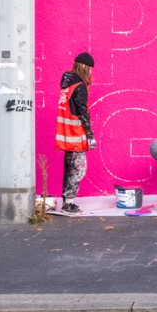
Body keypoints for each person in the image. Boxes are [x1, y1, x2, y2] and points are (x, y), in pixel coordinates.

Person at [55, 52, 96, 214]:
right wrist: (90, 135)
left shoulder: (67, 85)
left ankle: (67, 201)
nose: (91, 73)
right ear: (85, 67)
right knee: (78, 169)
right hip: (76, 135)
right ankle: (68, 204)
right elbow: (82, 112)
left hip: (66, 134)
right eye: (90, 69)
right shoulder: (79, 86)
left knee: (70, 168)